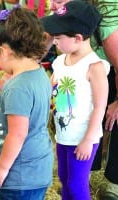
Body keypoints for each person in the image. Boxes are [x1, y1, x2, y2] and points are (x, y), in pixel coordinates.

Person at [0, 7, 54, 200]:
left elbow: (17, 134)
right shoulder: (39, 73)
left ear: (4, 51)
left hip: (19, 174)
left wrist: (2, 167)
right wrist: (0, 91)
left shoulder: (16, 88)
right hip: (37, 167)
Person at [41, 1, 111, 199]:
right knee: (64, 177)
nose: (54, 41)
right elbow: (52, 89)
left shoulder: (94, 66)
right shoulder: (60, 61)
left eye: (58, 37)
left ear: (78, 38)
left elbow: (100, 106)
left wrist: (88, 140)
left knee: (76, 183)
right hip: (63, 134)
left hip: (82, 137)